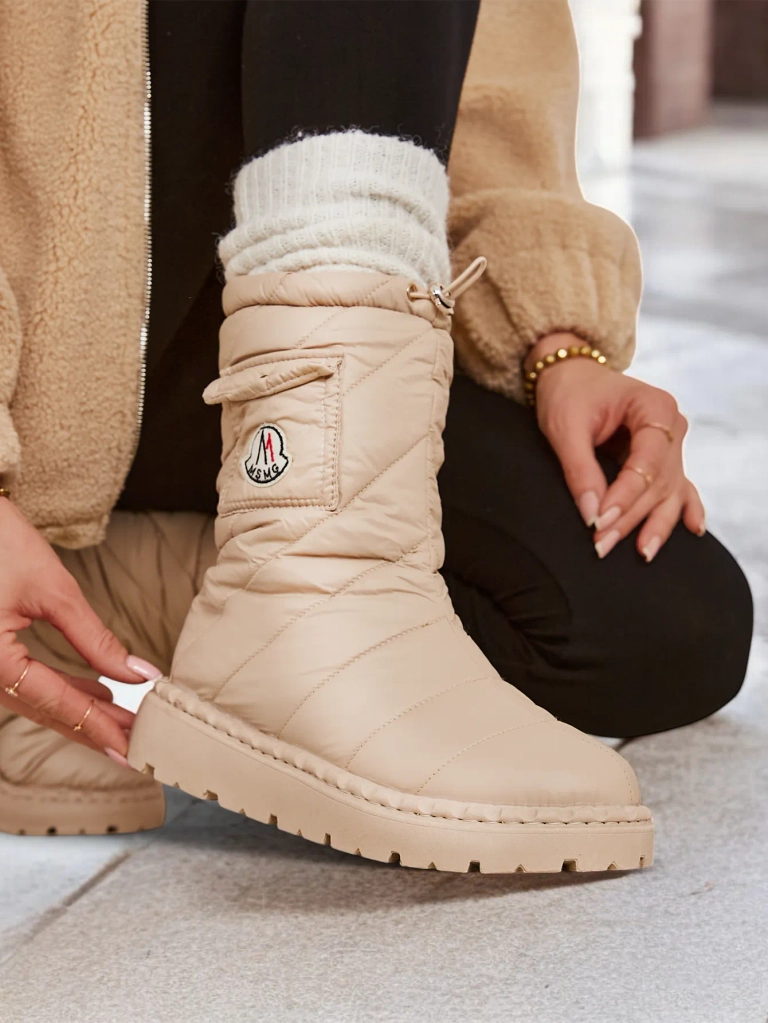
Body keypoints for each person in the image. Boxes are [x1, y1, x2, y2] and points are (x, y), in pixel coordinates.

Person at [0, 1, 751, 869]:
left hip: (281, 332)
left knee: (662, 618)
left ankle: (178, 594)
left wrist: (552, 337)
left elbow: (482, 50)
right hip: (45, 350)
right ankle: (290, 603)